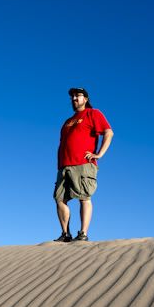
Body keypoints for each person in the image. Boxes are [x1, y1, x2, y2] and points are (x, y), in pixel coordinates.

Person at [54, 87, 113, 242]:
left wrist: (99, 154)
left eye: (78, 96)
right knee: (59, 199)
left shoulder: (93, 113)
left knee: (84, 197)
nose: (74, 98)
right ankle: (65, 234)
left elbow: (108, 132)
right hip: (64, 165)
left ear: (85, 98)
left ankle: (83, 234)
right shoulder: (68, 121)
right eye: (72, 96)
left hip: (83, 163)